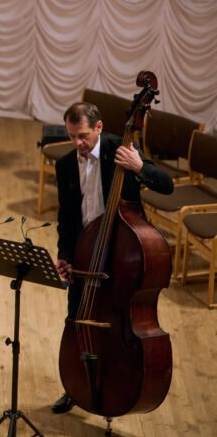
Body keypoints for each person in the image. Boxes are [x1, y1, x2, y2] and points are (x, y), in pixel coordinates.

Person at [50, 101, 174, 414]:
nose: (77, 143)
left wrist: (140, 167)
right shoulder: (65, 165)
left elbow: (167, 186)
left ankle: (122, 384)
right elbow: (66, 218)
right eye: (71, 136)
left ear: (99, 127)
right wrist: (65, 256)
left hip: (121, 255)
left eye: (83, 136)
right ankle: (77, 387)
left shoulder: (122, 150)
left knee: (121, 324)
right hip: (84, 255)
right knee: (79, 320)